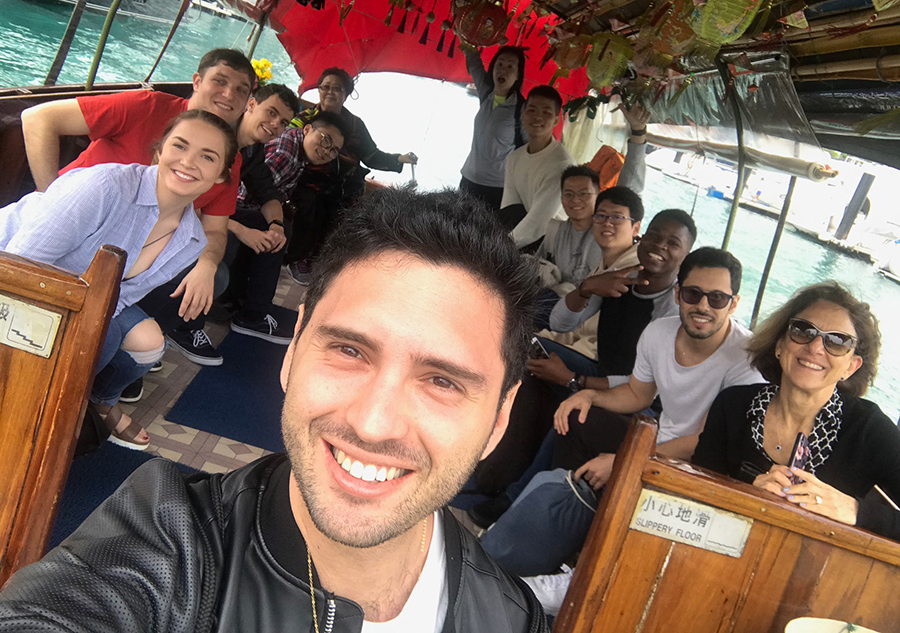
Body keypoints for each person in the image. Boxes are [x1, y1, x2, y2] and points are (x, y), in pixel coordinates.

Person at [0, 187, 549, 632]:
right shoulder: (166, 547)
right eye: (349, 350)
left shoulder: (514, 617)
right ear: (293, 352)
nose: (373, 423)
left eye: (442, 382)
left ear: (499, 418)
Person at [477, 248, 764, 613]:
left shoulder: (744, 361)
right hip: (658, 438)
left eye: (717, 298)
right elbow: (637, 393)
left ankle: (583, 564)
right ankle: (564, 532)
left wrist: (627, 462)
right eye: (693, 294)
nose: (703, 306)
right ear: (678, 293)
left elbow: (702, 442)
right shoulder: (660, 332)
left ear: (734, 303)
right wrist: (587, 397)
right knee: (577, 421)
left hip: (701, 465)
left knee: (614, 470)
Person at [0, 110, 237, 450]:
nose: (188, 162)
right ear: (159, 150)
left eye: (207, 156)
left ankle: (86, 406)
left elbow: (117, 301)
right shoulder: (105, 186)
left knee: (141, 343)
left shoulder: (192, 241)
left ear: (219, 177)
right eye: (179, 146)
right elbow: (19, 269)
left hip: (79, 297)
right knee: (96, 340)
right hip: (14, 275)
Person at [21, 48, 256, 366]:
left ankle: (113, 355)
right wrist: (51, 199)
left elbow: (214, 228)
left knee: (213, 277)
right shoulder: (146, 109)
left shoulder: (231, 159)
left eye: (241, 89)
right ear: (197, 81)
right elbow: (38, 119)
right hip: (70, 231)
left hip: (129, 256)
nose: (229, 94)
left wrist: (207, 266)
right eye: (220, 81)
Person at [469, 209, 695, 506]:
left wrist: (576, 381)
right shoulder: (620, 281)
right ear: (642, 236)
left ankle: (517, 498)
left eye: (673, 243)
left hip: (642, 403)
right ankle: (489, 471)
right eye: (654, 235)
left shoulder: (674, 312)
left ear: (686, 254)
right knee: (525, 349)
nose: (660, 246)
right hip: (604, 372)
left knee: (577, 412)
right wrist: (588, 288)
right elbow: (560, 323)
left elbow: (646, 388)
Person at [693, 281, 900, 541]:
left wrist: (855, 510)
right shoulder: (733, 405)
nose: (815, 347)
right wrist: (746, 489)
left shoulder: (870, 431)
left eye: (837, 341)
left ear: (851, 366)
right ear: (779, 345)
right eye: (803, 330)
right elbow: (696, 485)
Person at [225, 109, 348, 344]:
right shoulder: (286, 154)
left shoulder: (296, 145)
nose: (326, 152)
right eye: (325, 141)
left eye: (334, 150)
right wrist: (269, 225)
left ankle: (248, 304)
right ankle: (252, 314)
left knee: (284, 226)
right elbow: (245, 195)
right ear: (308, 129)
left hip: (243, 206)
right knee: (278, 232)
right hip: (233, 208)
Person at [285, 67, 417, 284]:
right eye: (325, 87)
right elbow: (290, 140)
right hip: (309, 180)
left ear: (346, 94)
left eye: (337, 88)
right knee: (310, 203)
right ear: (318, 90)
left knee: (342, 209)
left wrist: (399, 158)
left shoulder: (356, 125)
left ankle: (326, 261)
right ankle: (298, 258)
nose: (330, 92)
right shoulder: (305, 118)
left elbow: (371, 155)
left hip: (344, 182)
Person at [499, 85, 574, 251]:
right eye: (532, 110)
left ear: (556, 119)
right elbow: (509, 208)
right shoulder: (514, 158)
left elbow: (538, 224)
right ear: (523, 114)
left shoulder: (562, 165)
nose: (538, 117)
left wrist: (500, 249)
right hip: (524, 233)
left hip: (554, 244)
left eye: (546, 112)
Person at [460, 45, 528, 212]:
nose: (503, 70)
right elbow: (474, 62)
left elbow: (532, 149)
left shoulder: (522, 108)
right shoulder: (486, 93)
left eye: (510, 66)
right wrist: (463, 32)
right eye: (500, 64)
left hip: (497, 190)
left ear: (518, 75)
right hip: (468, 179)